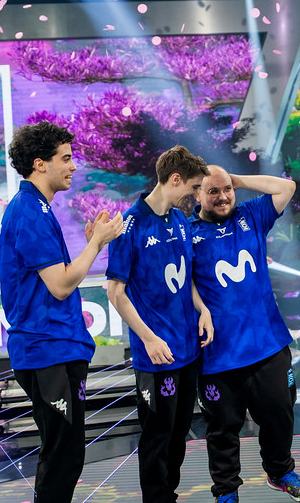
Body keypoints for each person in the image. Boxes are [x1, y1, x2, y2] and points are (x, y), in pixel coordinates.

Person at [0, 121, 124, 503]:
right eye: (66, 158)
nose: (73, 166)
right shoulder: (29, 211)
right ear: (40, 164)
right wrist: (97, 244)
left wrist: (91, 244)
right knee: (62, 456)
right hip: (46, 348)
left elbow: (57, 279)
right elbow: (61, 284)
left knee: (67, 454)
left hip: (56, 346)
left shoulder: (36, 207)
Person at [190, 165, 300, 503]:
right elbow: (184, 283)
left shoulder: (251, 215)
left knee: (280, 414)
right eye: (213, 191)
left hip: (267, 343)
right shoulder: (187, 232)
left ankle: (280, 471)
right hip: (218, 353)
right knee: (222, 429)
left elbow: (287, 188)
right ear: (197, 194)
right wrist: (201, 309)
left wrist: (237, 181)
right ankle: (226, 491)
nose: (222, 197)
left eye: (226, 190)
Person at [105, 145, 215, 503]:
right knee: (157, 435)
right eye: (194, 188)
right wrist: (149, 338)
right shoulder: (129, 225)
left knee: (180, 431)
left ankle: (169, 495)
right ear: (175, 179)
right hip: (156, 356)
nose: (196, 196)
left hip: (188, 350)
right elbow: (115, 292)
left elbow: (186, 279)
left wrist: (202, 308)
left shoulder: (181, 221)